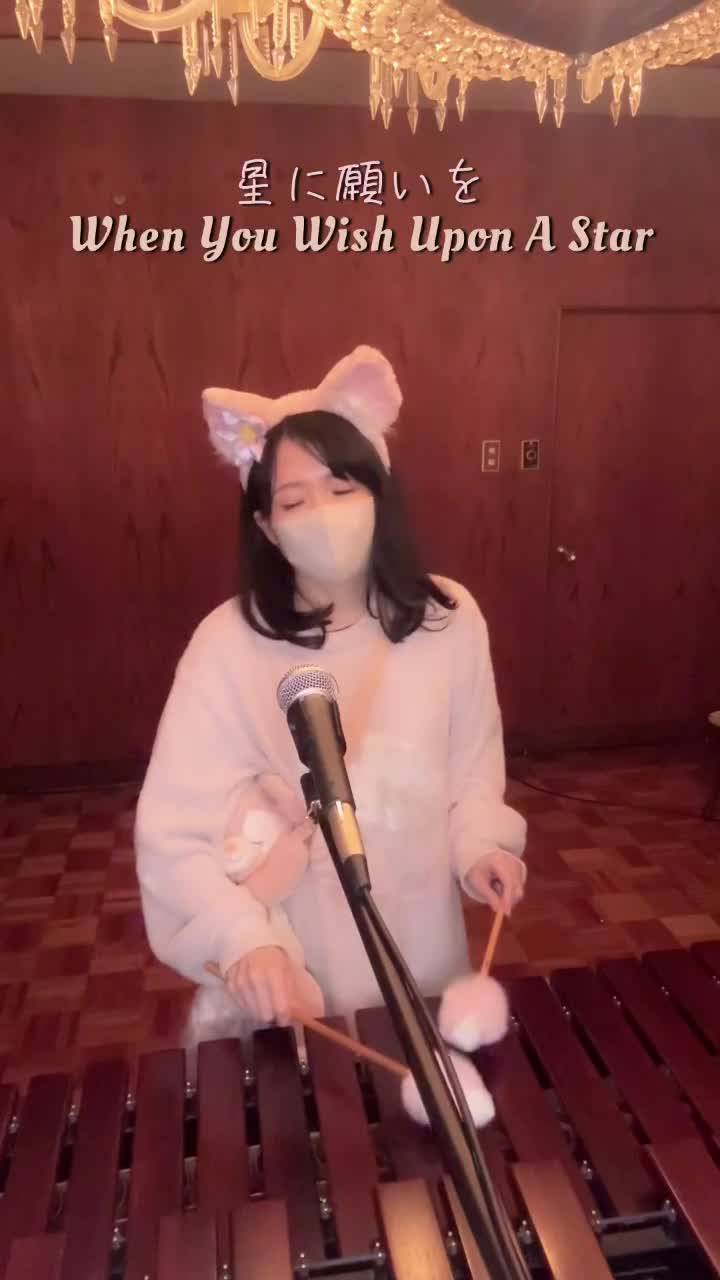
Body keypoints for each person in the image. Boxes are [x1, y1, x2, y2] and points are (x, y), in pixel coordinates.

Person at [135, 346, 527, 1034]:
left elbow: (472, 774)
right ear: (265, 526)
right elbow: (172, 836)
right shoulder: (226, 645)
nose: (323, 513)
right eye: (294, 500)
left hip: (426, 962)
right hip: (295, 982)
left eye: (343, 490)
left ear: (380, 493)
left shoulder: (450, 620)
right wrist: (241, 938)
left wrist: (481, 847)